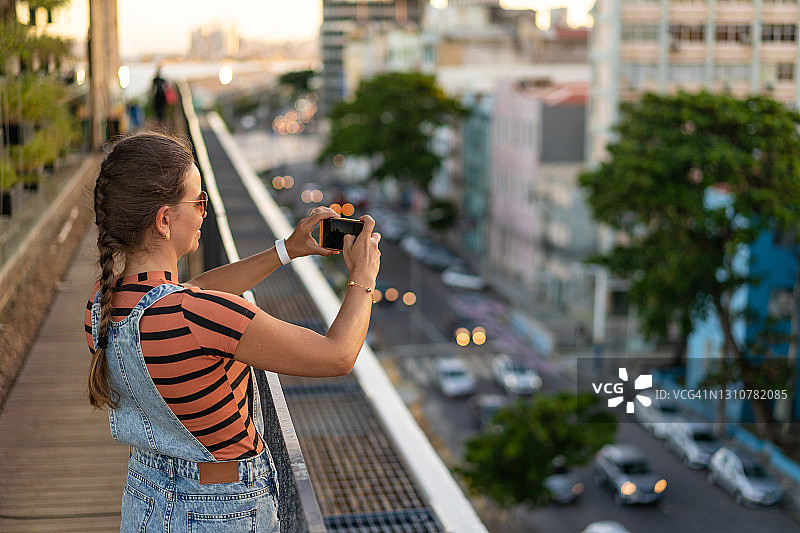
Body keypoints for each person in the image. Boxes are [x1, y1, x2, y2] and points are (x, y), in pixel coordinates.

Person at [85, 131, 380, 532]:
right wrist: (363, 278)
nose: (204, 212)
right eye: (198, 202)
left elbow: (193, 291)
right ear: (165, 220)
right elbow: (338, 355)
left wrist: (287, 250)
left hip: (145, 500)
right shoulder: (196, 316)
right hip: (221, 511)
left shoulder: (101, 303)